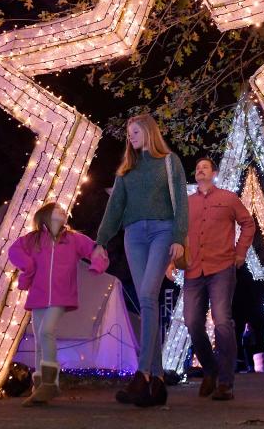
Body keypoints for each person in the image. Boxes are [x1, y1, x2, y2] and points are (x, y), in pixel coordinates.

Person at [92, 113, 188, 407]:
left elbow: (181, 201)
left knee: (147, 295)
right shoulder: (126, 171)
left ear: (148, 132)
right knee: (147, 302)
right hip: (133, 235)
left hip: (163, 231)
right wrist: (100, 241)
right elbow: (114, 208)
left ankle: (142, 374)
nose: (130, 137)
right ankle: (157, 383)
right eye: (128, 133)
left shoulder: (169, 162)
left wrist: (179, 238)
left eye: (135, 132)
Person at [170, 156, 255, 400]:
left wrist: (240, 252)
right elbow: (178, 234)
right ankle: (210, 369)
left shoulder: (228, 198)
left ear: (214, 173)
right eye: (197, 168)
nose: (199, 171)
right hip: (194, 270)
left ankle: (226, 383)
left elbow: (248, 224)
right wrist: (170, 261)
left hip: (221, 268)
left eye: (204, 167)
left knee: (221, 322)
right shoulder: (186, 204)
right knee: (191, 322)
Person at [8, 201, 109, 406]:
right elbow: (14, 251)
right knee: (39, 340)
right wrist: (27, 265)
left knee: (46, 332)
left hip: (62, 295)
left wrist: (97, 265)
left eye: (64, 211)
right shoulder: (33, 239)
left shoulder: (73, 239)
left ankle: (50, 383)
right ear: (46, 215)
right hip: (38, 295)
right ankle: (39, 389)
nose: (64, 211)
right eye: (58, 209)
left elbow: (97, 250)